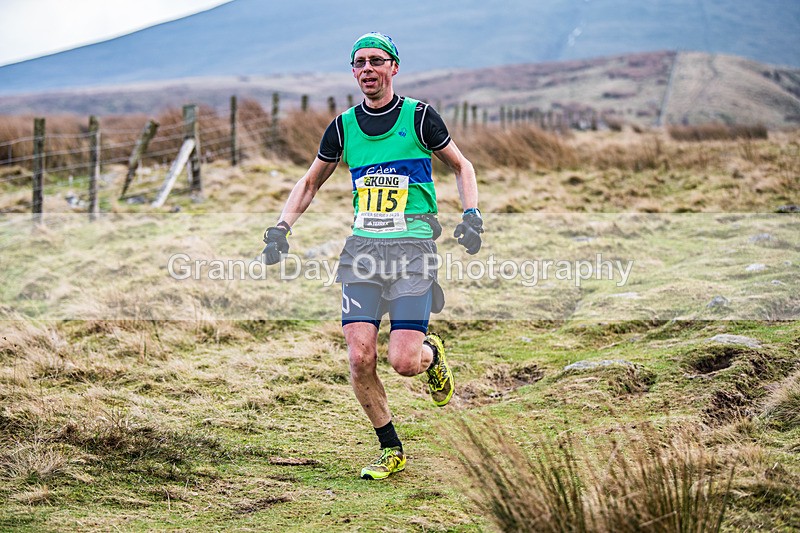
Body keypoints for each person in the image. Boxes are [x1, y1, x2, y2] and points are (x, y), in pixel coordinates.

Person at [261, 32, 483, 480]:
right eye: (358, 62)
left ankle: (431, 356)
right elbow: (310, 183)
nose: (366, 69)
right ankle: (390, 448)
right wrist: (281, 228)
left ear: (394, 67)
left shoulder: (419, 118)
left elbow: (462, 166)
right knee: (360, 357)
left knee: (403, 363)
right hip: (362, 251)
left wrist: (472, 214)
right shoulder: (343, 127)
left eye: (376, 61)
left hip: (412, 250)